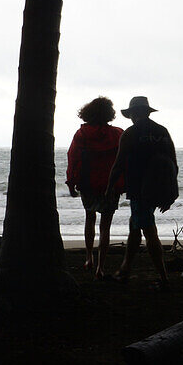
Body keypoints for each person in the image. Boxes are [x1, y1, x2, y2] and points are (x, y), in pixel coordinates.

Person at [105, 96, 178, 290]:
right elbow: (173, 164)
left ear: (134, 114)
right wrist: (170, 191)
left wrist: (109, 187)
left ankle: (163, 279)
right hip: (159, 187)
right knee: (135, 226)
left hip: (139, 189)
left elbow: (119, 164)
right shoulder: (162, 131)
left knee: (148, 230)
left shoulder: (131, 133)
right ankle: (125, 270)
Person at [65, 97, 124, 278]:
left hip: (88, 183)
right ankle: (100, 267)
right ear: (109, 114)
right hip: (110, 185)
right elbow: (123, 161)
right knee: (105, 226)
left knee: (89, 218)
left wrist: (71, 183)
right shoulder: (118, 134)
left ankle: (89, 257)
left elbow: (73, 158)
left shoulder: (82, 134)